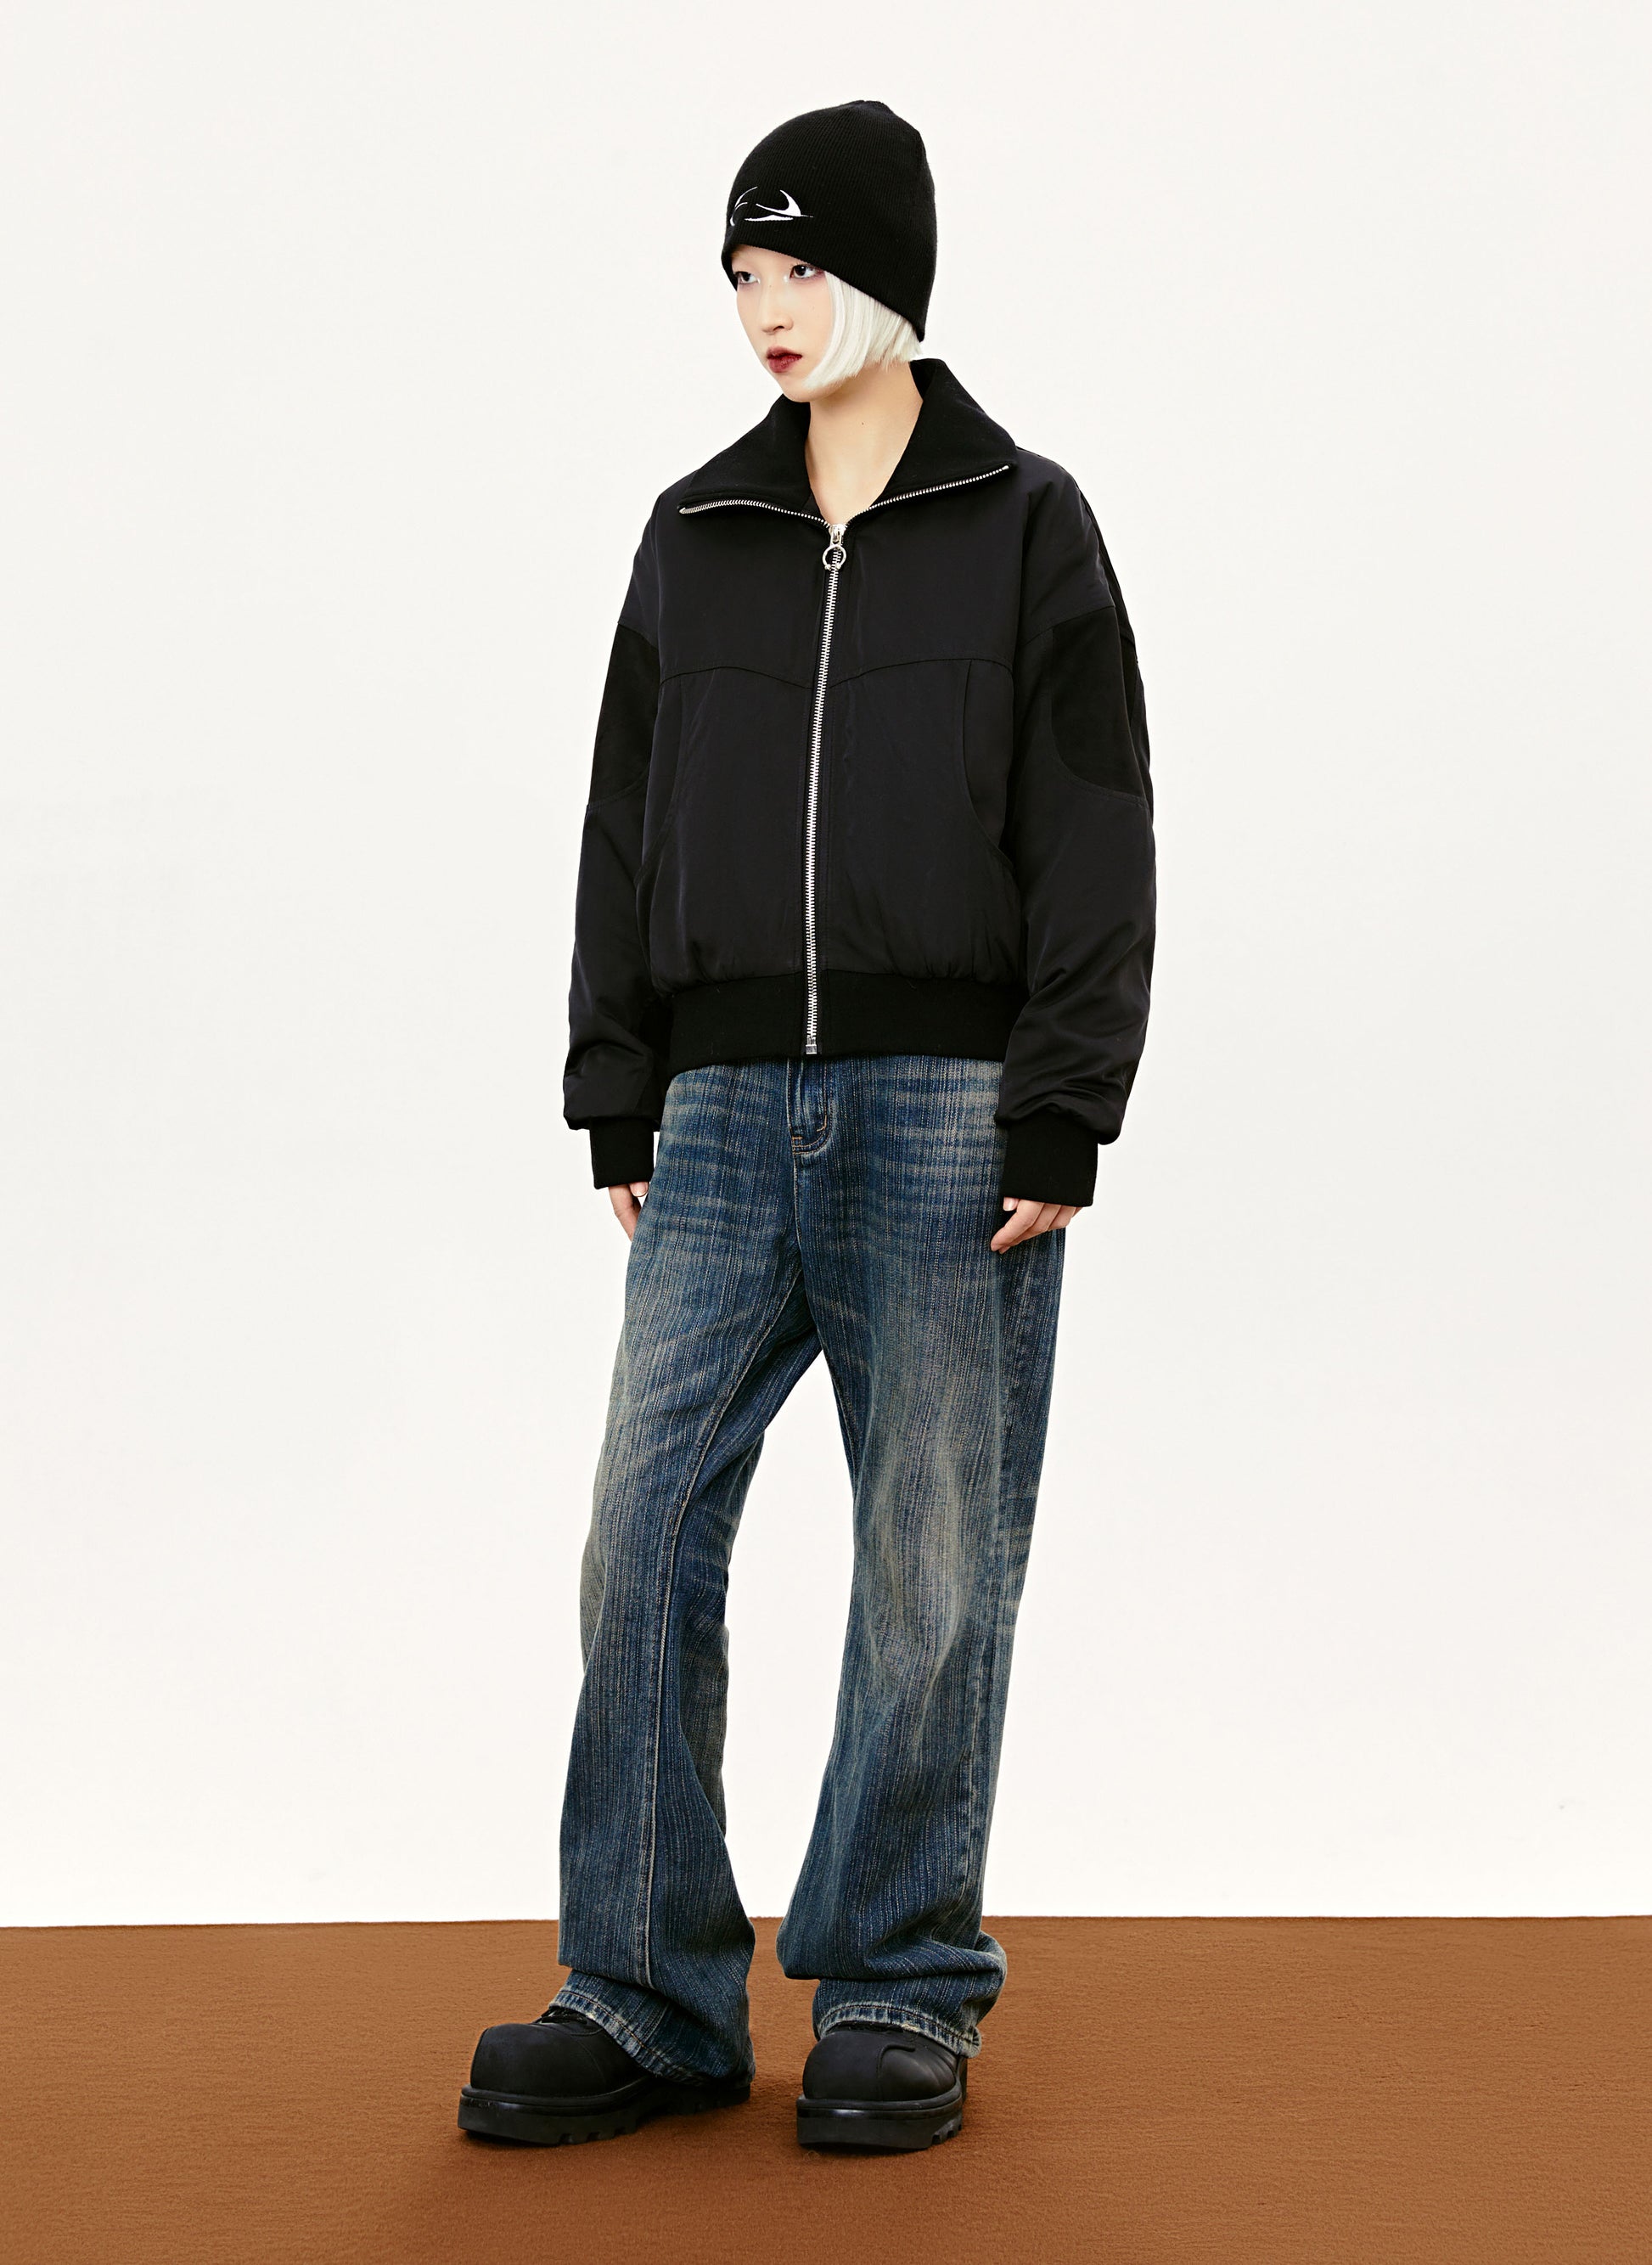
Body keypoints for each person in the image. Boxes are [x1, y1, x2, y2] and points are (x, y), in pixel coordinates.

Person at [458, 98, 1155, 2155]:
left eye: (799, 267)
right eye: (743, 274)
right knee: (640, 1533)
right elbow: (623, 819)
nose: (765, 308)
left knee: (932, 1562)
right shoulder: (696, 529)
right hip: (716, 1109)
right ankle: (645, 1989)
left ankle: (900, 1981)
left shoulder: (1026, 523)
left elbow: (1096, 826)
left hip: (951, 1110)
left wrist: (1063, 1100)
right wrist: (617, 1076)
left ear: (886, 274)